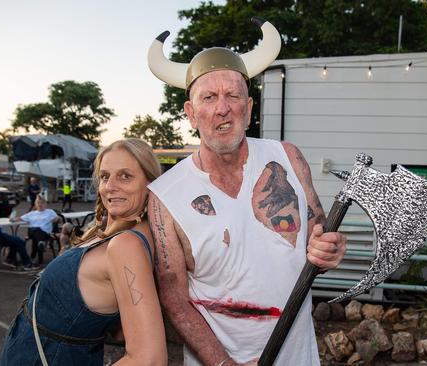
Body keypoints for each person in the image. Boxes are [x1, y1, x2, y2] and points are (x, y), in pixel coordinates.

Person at [147, 18, 347, 365]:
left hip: (298, 357)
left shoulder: (288, 158)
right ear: (191, 114)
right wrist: (224, 364)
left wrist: (329, 249)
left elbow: (318, 239)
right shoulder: (165, 196)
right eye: (209, 97)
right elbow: (174, 301)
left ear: (249, 108)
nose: (222, 107)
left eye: (233, 95)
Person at [0, 138, 167, 366]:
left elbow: (150, 359)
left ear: (150, 184)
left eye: (125, 176)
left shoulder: (126, 245)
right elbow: (120, 331)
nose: (110, 186)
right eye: (105, 176)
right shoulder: (119, 232)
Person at [11, 196, 62, 265]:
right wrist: (12, 219)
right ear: (35, 204)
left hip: (45, 233)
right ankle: (40, 245)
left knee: (37, 235)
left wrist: (57, 219)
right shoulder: (32, 213)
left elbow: (59, 220)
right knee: (37, 230)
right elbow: (19, 218)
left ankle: (33, 255)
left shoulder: (50, 212)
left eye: (42, 203)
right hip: (32, 232)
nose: (40, 204)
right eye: (38, 203)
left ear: (45, 204)